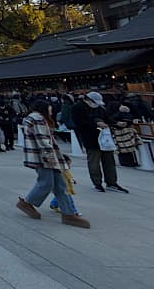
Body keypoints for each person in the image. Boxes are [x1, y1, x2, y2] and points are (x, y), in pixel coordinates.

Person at [16, 99, 90, 228]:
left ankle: (68, 212)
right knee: (46, 183)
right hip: (44, 157)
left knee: (60, 185)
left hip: (42, 156)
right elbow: (43, 140)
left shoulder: (33, 118)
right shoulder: (38, 118)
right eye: (50, 108)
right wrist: (51, 157)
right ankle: (27, 203)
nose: (52, 111)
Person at [72, 91, 128, 193]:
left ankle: (112, 182)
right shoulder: (78, 108)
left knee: (109, 160)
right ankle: (97, 183)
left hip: (104, 138)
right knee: (94, 162)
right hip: (90, 138)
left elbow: (107, 119)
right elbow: (79, 123)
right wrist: (96, 124)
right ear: (88, 100)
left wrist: (116, 123)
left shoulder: (99, 108)